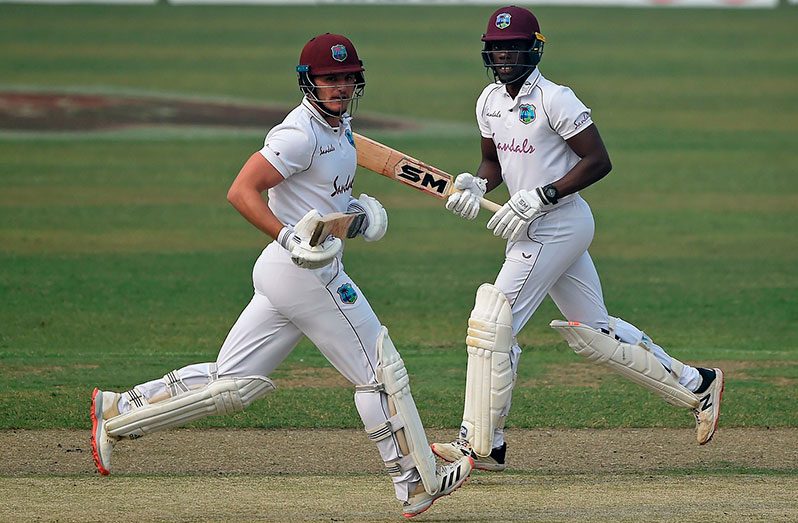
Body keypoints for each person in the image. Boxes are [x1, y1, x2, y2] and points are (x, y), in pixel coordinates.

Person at [90, 33, 472, 518]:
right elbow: (241, 190)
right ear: (308, 82)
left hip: (295, 272)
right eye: (329, 79)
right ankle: (414, 482)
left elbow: (325, 202)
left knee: (233, 382)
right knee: (380, 373)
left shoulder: (341, 129)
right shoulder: (298, 134)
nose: (339, 87)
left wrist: (358, 216)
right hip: (302, 272)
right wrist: (287, 236)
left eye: (347, 78)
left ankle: (118, 410)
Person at [431, 6, 725, 471]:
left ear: (534, 48)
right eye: (498, 47)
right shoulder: (488, 100)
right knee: (594, 334)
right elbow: (492, 162)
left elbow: (598, 160)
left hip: (558, 223)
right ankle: (697, 384)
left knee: (493, 322)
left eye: (514, 46)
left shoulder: (555, 99)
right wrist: (477, 186)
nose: (505, 55)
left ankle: (481, 444)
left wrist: (544, 195)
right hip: (531, 227)